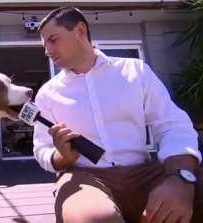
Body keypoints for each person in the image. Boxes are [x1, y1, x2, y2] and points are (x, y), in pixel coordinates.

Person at [33, 6, 203, 223]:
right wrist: (62, 157)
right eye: (44, 44)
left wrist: (180, 176)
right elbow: (41, 148)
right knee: (95, 219)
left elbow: (172, 124)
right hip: (85, 178)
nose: (47, 50)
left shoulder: (135, 71)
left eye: (53, 40)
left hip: (144, 172)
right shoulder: (47, 94)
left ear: (80, 31)